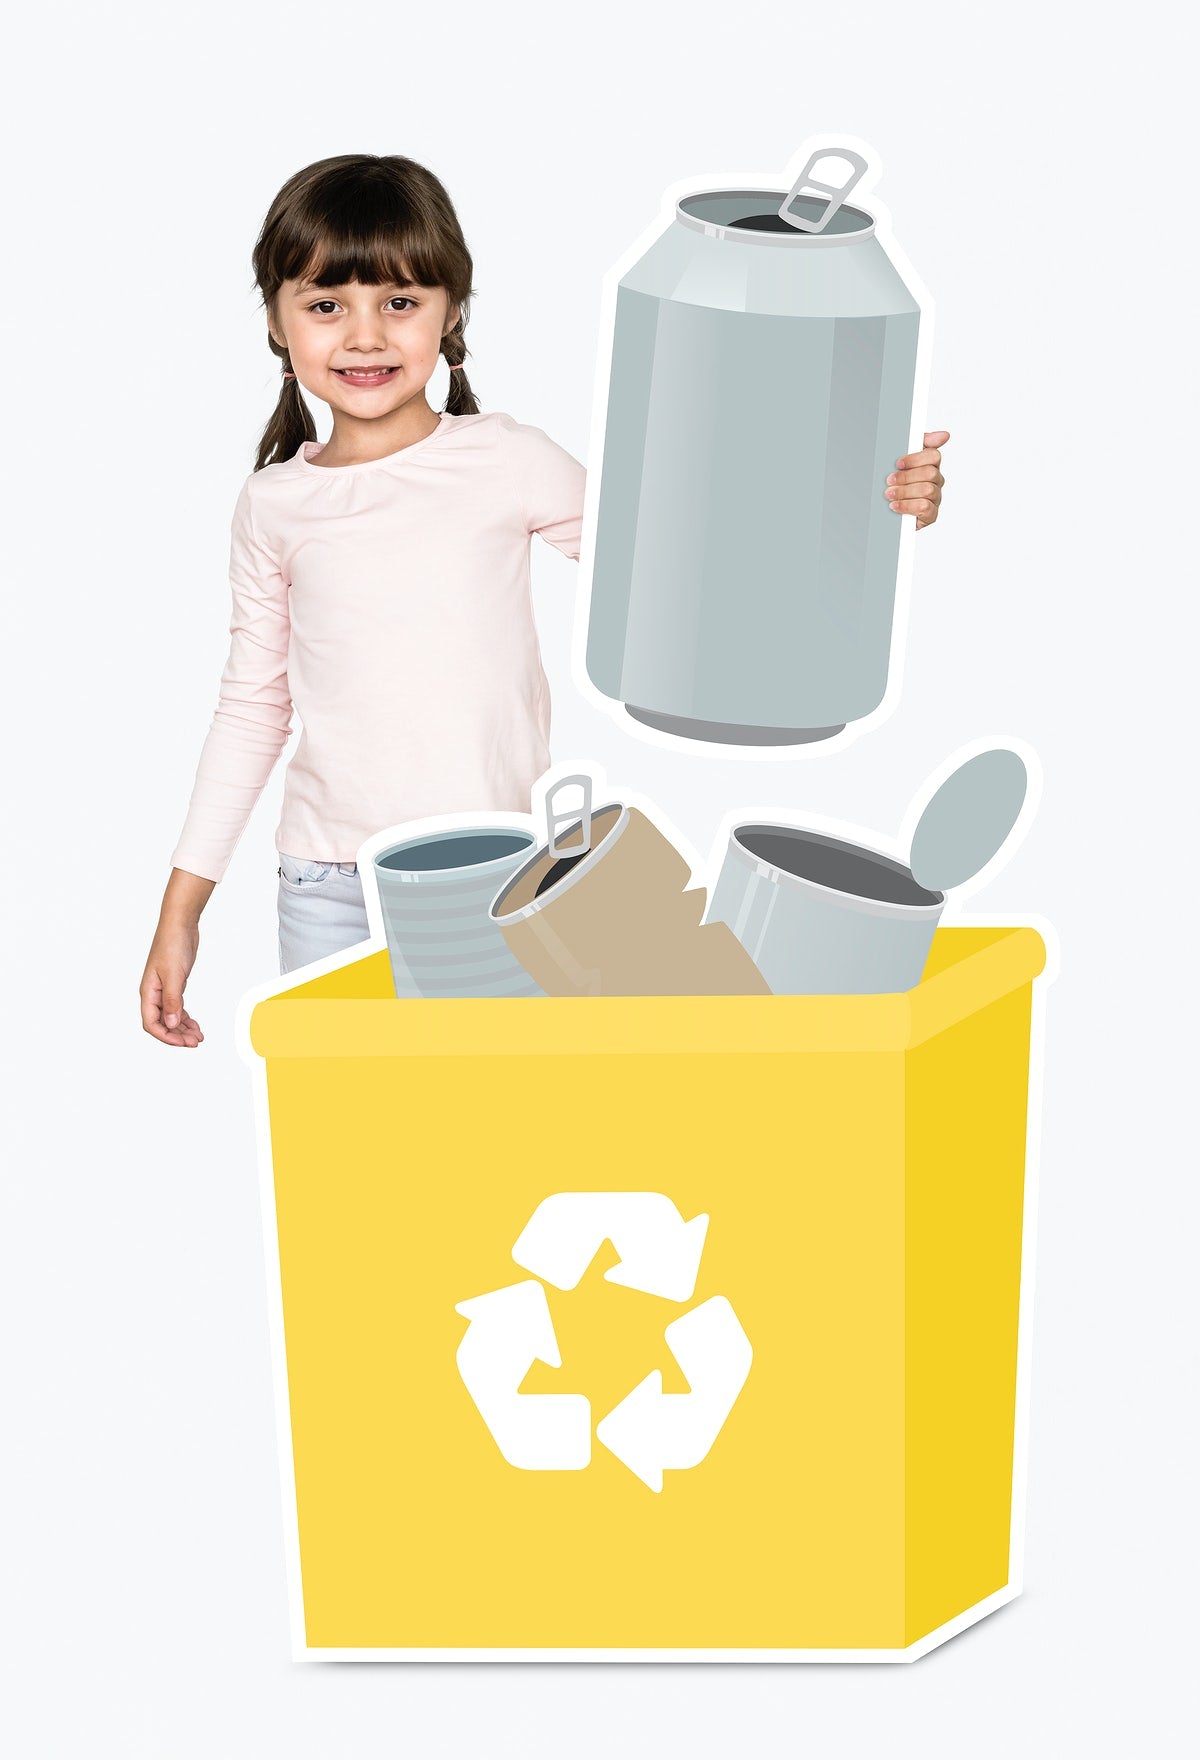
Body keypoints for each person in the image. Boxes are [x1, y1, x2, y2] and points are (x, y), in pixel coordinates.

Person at [140, 153, 950, 1048]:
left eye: (400, 302)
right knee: (365, 1142)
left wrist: (874, 507)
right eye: (327, 306)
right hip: (328, 888)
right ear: (276, 322)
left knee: (489, 1134)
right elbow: (253, 708)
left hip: (496, 882)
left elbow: (685, 566)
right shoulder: (272, 504)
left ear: (451, 314)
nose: (364, 335)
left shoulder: (506, 458)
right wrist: (184, 909)